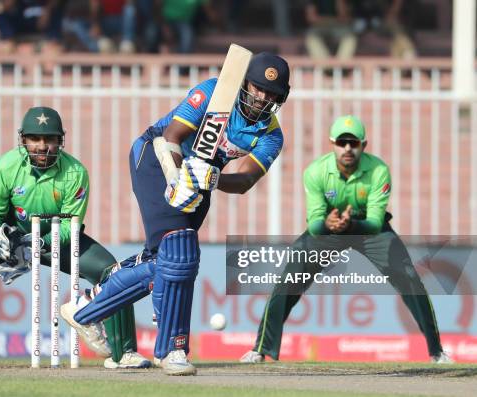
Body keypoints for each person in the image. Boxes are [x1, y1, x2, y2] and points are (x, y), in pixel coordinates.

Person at [61, 52, 291, 375]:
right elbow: (172, 136)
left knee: (166, 260)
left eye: (272, 94)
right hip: (157, 158)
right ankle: (173, 349)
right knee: (181, 252)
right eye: (257, 88)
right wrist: (175, 179)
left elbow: (246, 180)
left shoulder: (271, 134)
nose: (263, 98)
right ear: (244, 84)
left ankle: (87, 306)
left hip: (202, 179)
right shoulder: (215, 92)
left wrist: (214, 179)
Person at [0, 106, 150, 370]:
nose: (43, 146)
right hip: (10, 234)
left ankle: (125, 353)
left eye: (50, 139)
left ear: (60, 141)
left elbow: (69, 226)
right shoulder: (7, 165)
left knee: (112, 272)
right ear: (24, 140)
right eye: (35, 139)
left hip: (56, 239)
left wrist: (38, 243)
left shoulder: (75, 172)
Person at [240, 115, 452, 364]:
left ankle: (437, 352)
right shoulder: (316, 171)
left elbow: (374, 224)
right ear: (332, 144)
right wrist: (329, 224)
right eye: (342, 143)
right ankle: (261, 349)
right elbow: (316, 224)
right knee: (291, 275)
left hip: (369, 229)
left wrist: (350, 224)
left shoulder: (378, 171)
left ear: (364, 144)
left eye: (354, 143)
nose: (348, 149)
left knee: (409, 278)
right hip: (328, 229)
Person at [0, 0, 66, 54]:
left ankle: (54, 48)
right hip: (21, 23)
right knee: (0, 16)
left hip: (44, 22)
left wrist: (48, 9)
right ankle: (9, 43)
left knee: (56, 16)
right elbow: (6, 6)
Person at [351, 0, 416, 59]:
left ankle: (407, 54)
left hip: (385, 25)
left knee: (398, 37)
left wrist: (392, 13)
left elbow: (391, 17)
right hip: (362, 23)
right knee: (350, 37)